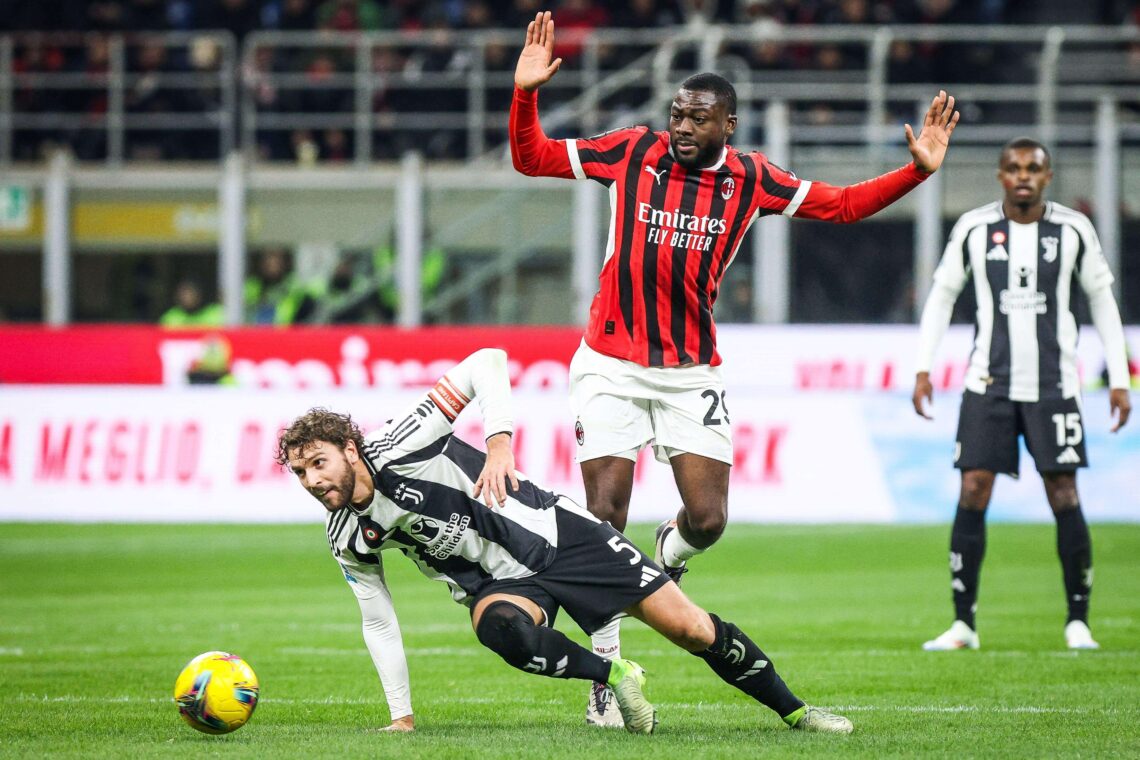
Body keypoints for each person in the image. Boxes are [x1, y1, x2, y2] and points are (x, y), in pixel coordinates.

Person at [509, 10, 959, 724]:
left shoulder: (751, 180)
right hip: (609, 362)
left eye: (698, 117)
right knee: (603, 517)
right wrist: (526, 93)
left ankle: (670, 547)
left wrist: (915, 170)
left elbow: (840, 206)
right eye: (676, 114)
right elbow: (531, 158)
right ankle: (607, 676)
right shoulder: (631, 152)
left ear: (729, 125)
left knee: (711, 520)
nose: (681, 127)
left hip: (691, 369)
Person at [276, 348, 854, 735]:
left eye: (319, 464)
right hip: (505, 585)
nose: (313, 481)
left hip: (560, 535)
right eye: (301, 475)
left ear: (350, 450)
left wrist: (498, 443)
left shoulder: (401, 443)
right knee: (500, 629)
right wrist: (401, 717)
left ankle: (798, 714)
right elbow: (377, 620)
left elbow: (487, 362)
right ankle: (617, 678)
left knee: (693, 631)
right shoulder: (347, 535)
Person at [912, 137, 1132, 652]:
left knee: (1063, 493)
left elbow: (1102, 299)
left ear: (1048, 177)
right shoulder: (974, 227)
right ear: (1000, 176)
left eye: (1033, 168)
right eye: (1013, 168)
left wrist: (1119, 376)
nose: (1024, 176)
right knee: (973, 490)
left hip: (1055, 385)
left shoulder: (1073, 229)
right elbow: (943, 294)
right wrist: (923, 366)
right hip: (987, 383)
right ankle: (963, 623)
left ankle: (1078, 620)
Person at [159, 278, 225, 328]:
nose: (187, 298)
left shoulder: (215, 314)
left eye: (191, 294)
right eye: (184, 294)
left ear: (199, 295)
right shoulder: (171, 317)